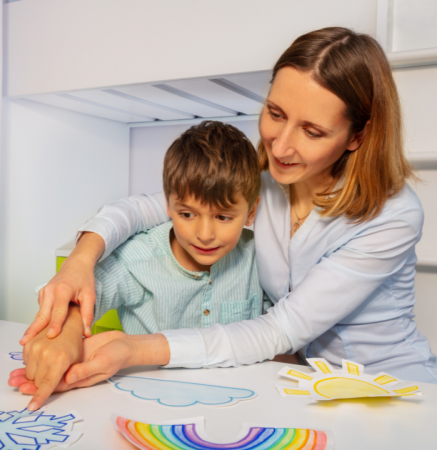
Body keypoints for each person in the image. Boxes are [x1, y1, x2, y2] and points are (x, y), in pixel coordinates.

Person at [11, 27, 437, 400]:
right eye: (275, 113)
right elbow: (149, 206)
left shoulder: (392, 216)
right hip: (313, 387)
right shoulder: (265, 185)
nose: (279, 146)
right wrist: (80, 263)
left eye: (312, 131)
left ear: (357, 136)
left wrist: (132, 349)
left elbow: (280, 330)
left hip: (395, 388)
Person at [14, 121, 276, 410]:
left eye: (223, 217)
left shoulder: (259, 257)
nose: (204, 234)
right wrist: (65, 334)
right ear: (167, 206)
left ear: (251, 213)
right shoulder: (140, 258)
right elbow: (87, 292)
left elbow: (276, 332)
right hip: (146, 405)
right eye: (187, 214)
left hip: (240, 404)